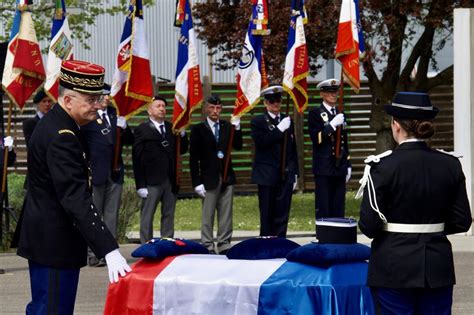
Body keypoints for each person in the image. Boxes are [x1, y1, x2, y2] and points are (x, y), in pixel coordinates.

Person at [15, 60, 131, 314]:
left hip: (51, 239)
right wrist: (109, 249)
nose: (98, 106)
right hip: (55, 243)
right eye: (91, 100)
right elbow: (75, 197)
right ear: (68, 101)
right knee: (53, 309)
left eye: (98, 99)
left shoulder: (64, 125)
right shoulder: (62, 137)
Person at [358, 92, 472, 314]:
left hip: (393, 267)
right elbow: (462, 221)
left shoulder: (382, 166)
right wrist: (430, 228)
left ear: (396, 125)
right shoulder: (449, 165)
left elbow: (369, 226)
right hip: (436, 267)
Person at [81, 84, 134, 266]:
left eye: (108, 96)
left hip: (115, 172)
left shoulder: (114, 114)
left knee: (111, 216)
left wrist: (125, 128)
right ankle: (93, 254)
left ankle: (109, 252)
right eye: (104, 96)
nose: (107, 99)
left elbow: (128, 141)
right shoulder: (89, 116)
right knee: (95, 214)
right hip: (96, 173)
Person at [189, 95, 242, 254]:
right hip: (208, 177)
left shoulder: (227, 126)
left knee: (226, 213)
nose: (215, 111)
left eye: (218, 108)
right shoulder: (198, 129)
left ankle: (224, 243)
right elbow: (193, 158)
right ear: (206, 108)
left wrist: (237, 128)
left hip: (226, 175)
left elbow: (238, 146)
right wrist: (196, 182)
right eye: (212, 108)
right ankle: (207, 244)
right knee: (208, 213)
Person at [132, 96, 188, 244]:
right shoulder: (141, 129)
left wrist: (182, 134)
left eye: (163, 106)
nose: (162, 109)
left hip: (170, 179)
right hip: (151, 180)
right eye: (158, 106)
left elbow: (181, 150)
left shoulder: (172, 128)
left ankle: (167, 242)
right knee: (147, 215)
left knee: (168, 214)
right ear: (149, 110)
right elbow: (137, 159)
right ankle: (146, 244)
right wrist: (140, 185)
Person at [250, 85, 298, 238]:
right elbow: (262, 142)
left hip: (285, 173)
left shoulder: (287, 119)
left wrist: (295, 172)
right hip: (267, 174)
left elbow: (293, 148)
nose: (275, 104)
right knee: (267, 211)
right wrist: (279, 130)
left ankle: (281, 241)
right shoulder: (258, 121)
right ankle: (266, 241)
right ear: (265, 103)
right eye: (271, 101)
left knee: (283, 211)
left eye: (278, 100)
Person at [308, 78, 351, 220]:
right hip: (324, 166)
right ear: (322, 94)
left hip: (339, 165)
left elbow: (344, 140)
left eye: (335, 92)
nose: (333, 95)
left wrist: (348, 163)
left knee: (338, 205)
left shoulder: (340, 112)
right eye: (329, 92)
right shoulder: (315, 113)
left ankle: (338, 237)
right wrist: (332, 125)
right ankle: (324, 237)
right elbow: (317, 138)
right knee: (324, 205)